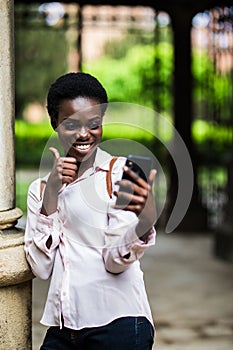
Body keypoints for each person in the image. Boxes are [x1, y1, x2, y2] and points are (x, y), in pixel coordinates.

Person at [24, 72, 157, 350]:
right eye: (71, 124)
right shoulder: (39, 189)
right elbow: (40, 267)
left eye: (94, 124)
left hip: (119, 324)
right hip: (64, 329)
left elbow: (115, 262)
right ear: (54, 123)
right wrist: (52, 192)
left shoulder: (120, 174)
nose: (84, 134)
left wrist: (144, 221)